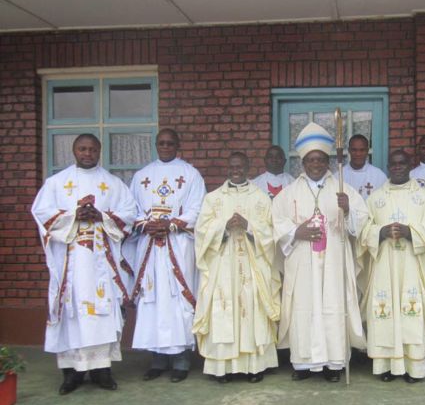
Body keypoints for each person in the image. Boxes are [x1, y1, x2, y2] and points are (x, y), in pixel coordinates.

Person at [32, 134, 137, 394]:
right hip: (71, 263)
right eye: (82, 148)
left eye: (92, 149)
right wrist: (73, 216)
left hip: (101, 264)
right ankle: (71, 374)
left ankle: (102, 371)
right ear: (74, 150)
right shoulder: (56, 183)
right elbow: (41, 213)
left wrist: (100, 216)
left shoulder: (113, 184)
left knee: (102, 315)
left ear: (99, 151)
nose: (87, 153)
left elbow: (129, 216)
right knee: (72, 315)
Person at [272, 122, 368, 382]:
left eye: (321, 159)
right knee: (304, 308)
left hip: (334, 262)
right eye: (311, 159)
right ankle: (303, 363)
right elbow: (276, 222)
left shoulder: (344, 190)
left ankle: (334, 364)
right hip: (302, 261)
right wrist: (295, 233)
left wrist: (347, 211)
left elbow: (362, 223)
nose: (316, 164)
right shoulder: (288, 193)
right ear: (303, 163)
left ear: (328, 161)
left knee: (333, 307)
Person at [193, 152, 280, 383]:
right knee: (224, 309)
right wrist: (223, 227)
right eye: (232, 166)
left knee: (253, 308)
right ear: (227, 168)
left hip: (252, 265)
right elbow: (201, 232)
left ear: (248, 167)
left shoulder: (261, 198)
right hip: (223, 264)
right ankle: (222, 368)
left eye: (240, 166)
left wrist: (249, 226)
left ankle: (255, 367)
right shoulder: (213, 198)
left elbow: (271, 233)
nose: (236, 170)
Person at [358, 150, 425, 382]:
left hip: (413, 265)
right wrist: (380, 231)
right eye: (393, 164)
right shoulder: (375, 198)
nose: (397, 167)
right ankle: (385, 366)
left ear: (409, 166)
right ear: (388, 166)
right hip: (384, 264)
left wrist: (411, 233)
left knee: (411, 312)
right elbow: (363, 230)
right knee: (384, 312)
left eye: (402, 163)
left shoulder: (424, 197)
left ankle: (414, 368)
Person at [128, 129, 206, 383]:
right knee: (152, 300)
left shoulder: (191, 174)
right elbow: (131, 210)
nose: (165, 147)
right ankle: (158, 359)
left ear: (178, 145)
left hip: (178, 247)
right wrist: (144, 224)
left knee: (178, 301)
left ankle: (181, 360)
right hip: (150, 248)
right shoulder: (141, 176)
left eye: (170, 143)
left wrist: (172, 224)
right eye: (161, 143)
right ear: (155, 145)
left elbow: (198, 208)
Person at [342, 134, 387, 201]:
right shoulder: (339, 175)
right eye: (354, 150)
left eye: (362, 150)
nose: (358, 154)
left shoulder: (379, 176)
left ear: (367, 151)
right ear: (349, 150)